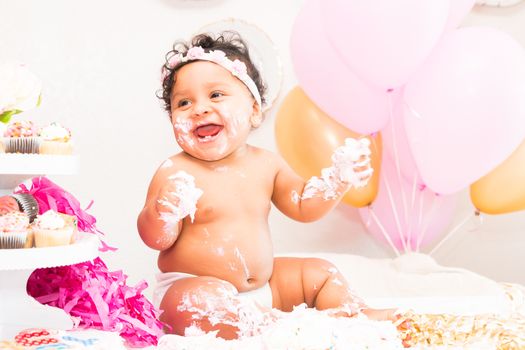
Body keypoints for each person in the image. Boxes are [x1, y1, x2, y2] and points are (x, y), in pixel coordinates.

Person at [137, 31, 399, 340]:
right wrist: (163, 212)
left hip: (265, 288)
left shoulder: (266, 164)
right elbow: (156, 238)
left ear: (254, 111)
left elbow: (303, 205)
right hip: (195, 286)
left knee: (320, 273)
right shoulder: (176, 172)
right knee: (194, 301)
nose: (200, 108)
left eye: (216, 95)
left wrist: (336, 181)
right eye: (183, 102)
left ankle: (354, 314)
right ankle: (281, 329)